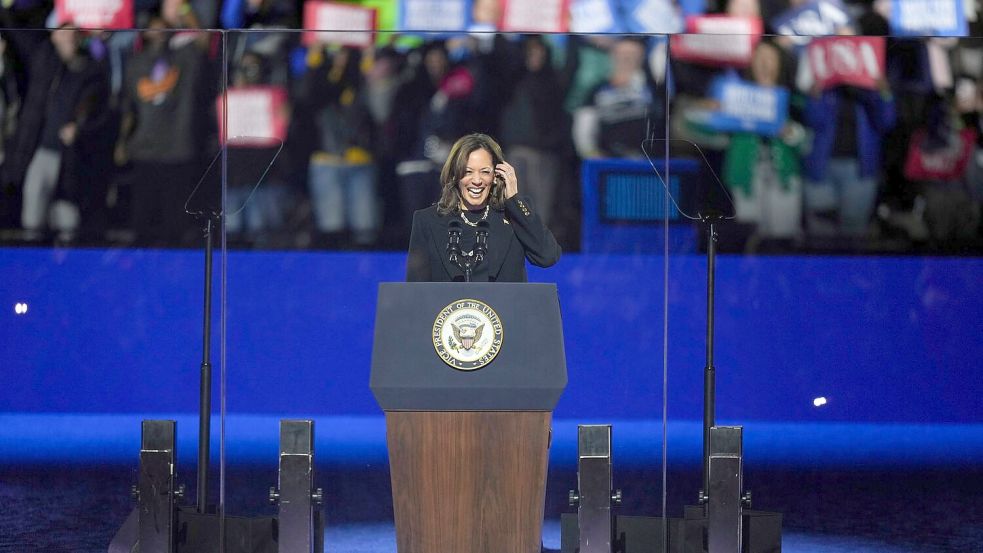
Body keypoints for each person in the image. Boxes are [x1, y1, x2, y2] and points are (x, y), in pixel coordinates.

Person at [406, 133, 560, 282]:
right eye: (468, 172)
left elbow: (547, 256)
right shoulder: (427, 221)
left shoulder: (513, 215)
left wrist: (513, 199)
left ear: (496, 175)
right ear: (454, 175)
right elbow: (416, 292)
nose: (477, 180)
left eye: (485, 172)